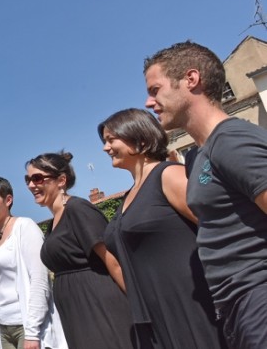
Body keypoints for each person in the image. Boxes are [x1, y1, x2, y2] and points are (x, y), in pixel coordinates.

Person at [144, 41, 267, 349]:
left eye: (155, 89)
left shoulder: (232, 140)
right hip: (235, 308)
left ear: (191, 80)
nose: (149, 102)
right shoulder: (197, 157)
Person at [98, 108, 226, 348]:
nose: (105, 148)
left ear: (140, 139)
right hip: (154, 317)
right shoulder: (128, 197)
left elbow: (220, 226)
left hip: (193, 307)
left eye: (111, 139)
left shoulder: (169, 175)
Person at [28, 152, 133, 349]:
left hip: (97, 303)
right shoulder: (53, 223)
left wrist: (140, 306)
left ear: (61, 180)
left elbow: (113, 260)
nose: (31, 185)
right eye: (28, 179)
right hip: (76, 310)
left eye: (37, 178)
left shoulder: (78, 209)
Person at [0, 177, 66, 349]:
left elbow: (39, 279)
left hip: (25, 325)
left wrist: (32, 333)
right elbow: (0, 281)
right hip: (3, 326)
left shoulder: (24, 226)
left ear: (8, 200)